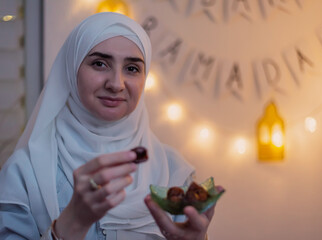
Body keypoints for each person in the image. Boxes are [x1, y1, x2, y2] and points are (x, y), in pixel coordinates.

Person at [0, 12, 221, 239]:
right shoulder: (25, 172)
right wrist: (71, 223)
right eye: (99, 64)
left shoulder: (174, 173)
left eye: (132, 68)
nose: (116, 84)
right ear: (71, 69)